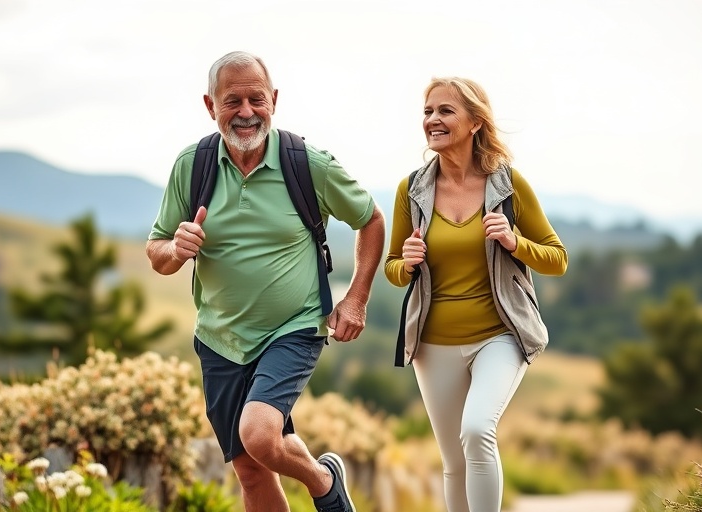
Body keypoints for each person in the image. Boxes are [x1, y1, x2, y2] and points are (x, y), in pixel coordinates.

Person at [146, 50, 385, 512]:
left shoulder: (307, 163)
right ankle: (326, 477)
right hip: (219, 337)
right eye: (232, 100)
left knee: (258, 434)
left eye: (256, 99)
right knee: (252, 472)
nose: (246, 112)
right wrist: (175, 249)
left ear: (274, 100)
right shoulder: (191, 167)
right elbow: (157, 252)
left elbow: (370, 219)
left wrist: (355, 298)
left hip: (293, 327)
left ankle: (320, 482)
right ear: (209, 105)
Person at [384, 77, 568, 512]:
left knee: (477, 429)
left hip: (499, 335)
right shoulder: (411, 190)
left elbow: (556, 259)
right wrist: (406, 261)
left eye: (445, 111)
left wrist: (513, 241)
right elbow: (392, 270)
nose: (433, 120)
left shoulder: (507, 186)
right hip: (432, 343)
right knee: (454, 463)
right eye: (428, 112)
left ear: (474, 122)